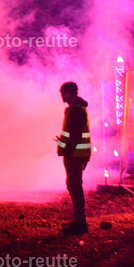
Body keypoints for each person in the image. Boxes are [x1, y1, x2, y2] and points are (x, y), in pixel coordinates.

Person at [57, 81, 90, 235]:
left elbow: (75, 136)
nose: (61, 95)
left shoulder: (76, 111)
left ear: (70, 93)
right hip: (76, 155)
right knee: (74, 186)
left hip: (74, 156)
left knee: (75, 187)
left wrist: (68, 150)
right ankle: (79, 222)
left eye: (63, 92)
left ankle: (80, 224)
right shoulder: (75, 109)